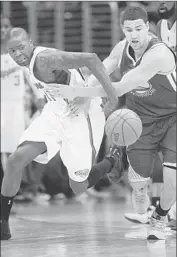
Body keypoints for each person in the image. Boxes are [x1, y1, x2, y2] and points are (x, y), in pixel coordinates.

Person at [53, 6, 176, 240]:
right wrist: (85, 93)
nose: (134, 35)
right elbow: (100, 70)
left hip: (172, 117)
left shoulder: (158, 54)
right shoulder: (122, 49)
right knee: (139, 189)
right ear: (123, 30)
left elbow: (118, 87)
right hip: (140, 121)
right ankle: (148, 210)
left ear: (148, 27)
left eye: (139, 28)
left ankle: (160, 218)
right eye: (129, 30)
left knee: (172, 181)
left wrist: (77, 91)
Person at [0, 27, 123, 240]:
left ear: (31, 42)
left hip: (81, 115)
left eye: (21, 48)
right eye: (12, 51)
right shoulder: (29, 63)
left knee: (79, 187)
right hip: (56, 110)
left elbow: (91, 59)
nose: (18, 54)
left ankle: (112, 160)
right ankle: (2, 221)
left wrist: (112, 98)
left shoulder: (44, 60)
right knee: (15, 160)